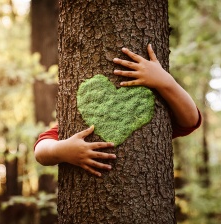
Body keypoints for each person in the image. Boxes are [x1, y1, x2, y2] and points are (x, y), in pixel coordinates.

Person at [34, 44, 201, 177]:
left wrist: (165, 82)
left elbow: (190, 120)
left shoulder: (159, 113)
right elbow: (41, 150)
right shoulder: (79, 121)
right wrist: (62, 150)